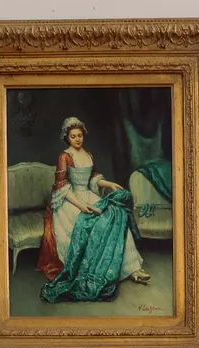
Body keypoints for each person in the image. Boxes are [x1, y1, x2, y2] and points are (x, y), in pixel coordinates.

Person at [36, 117, 151, 302]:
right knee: (95, 225)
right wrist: (82, 206)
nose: (77, 139)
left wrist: (109, 184)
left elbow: (93, 178)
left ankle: (133, 269)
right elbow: (62, 187)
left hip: (88, 195)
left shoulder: (88, 154)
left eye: (80, 135)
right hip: (71, 200)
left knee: (115, 218)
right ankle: (96, 272)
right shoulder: (64, 157)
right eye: (73, 136)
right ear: (67, 137)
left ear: (83, 135)